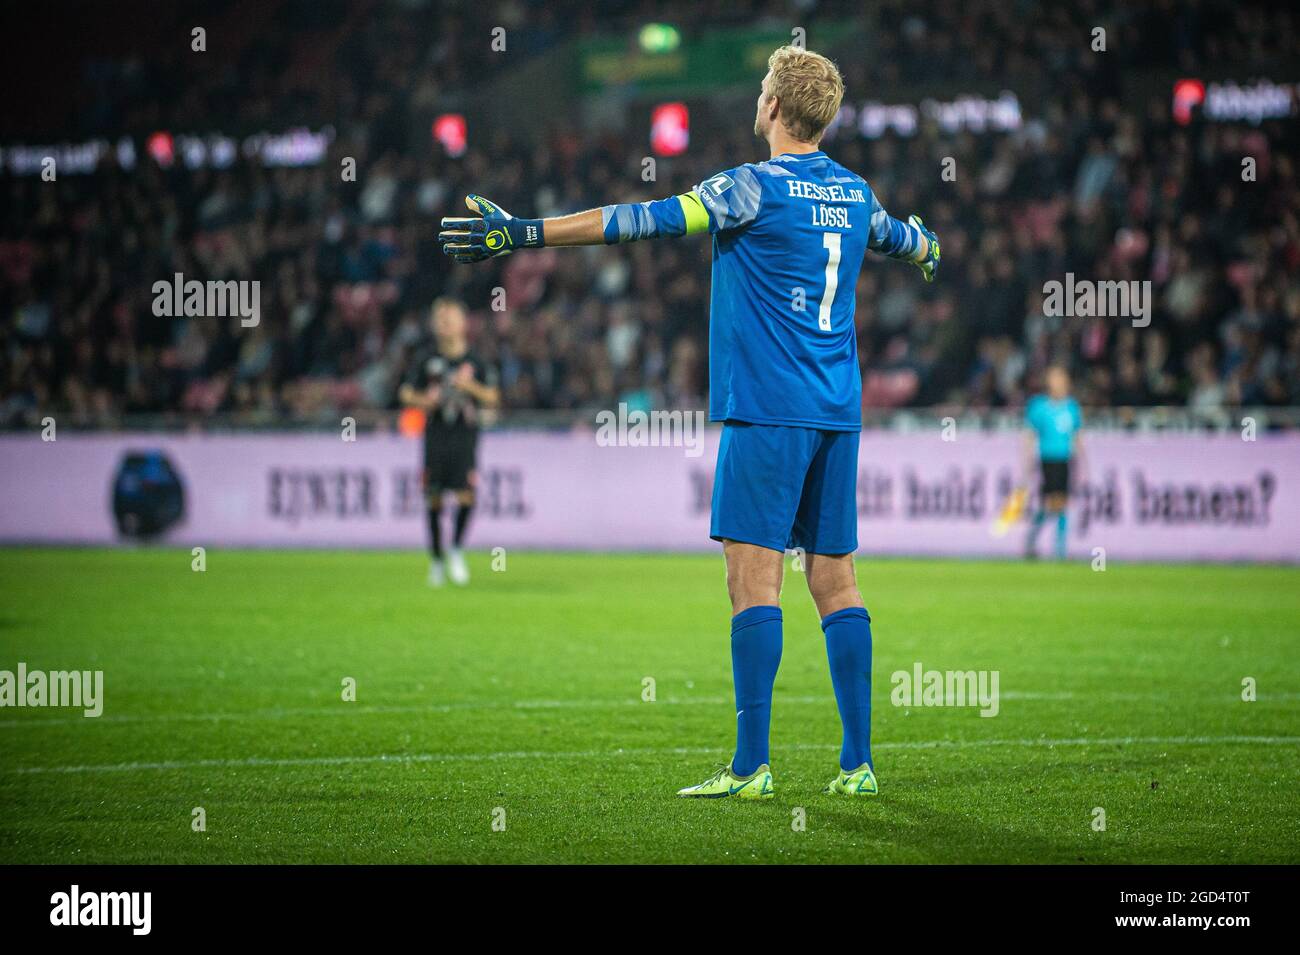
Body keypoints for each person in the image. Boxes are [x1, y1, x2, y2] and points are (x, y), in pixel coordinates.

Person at [438, 46, 939, 798]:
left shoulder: (750, 187)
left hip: (768, 409)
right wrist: (929, 245)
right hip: (838, 411)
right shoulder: (857, 193)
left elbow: (640, 219)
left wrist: (526, 232)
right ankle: (858, 763)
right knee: (836, 580)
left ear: (773, 107)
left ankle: (750, 767)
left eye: (765, 87)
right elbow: (905, 239)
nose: (761, 96)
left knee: (753, 584)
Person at [399, 298, 500, 586]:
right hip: (435, 437)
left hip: (465, 437)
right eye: (439, 319)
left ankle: (455, 548)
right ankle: (436, 559)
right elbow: (406, 393)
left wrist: (470, 387)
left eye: (449, 318)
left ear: (462, 323)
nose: (443, 324)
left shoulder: (476, 361)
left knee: (466, 495)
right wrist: (423, 400)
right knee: (433, 497)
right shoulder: (425, 360)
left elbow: (493, 397)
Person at [1023, 366, 1084, 560]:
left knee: (1061, 504)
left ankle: (1059, 550)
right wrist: (1028, 461)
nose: (1059, 383)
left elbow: (1077, 436)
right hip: (1047, 459)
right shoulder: (1039, 406)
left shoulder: (1072, 407)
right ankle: (1033, 540)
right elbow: (1029, 435)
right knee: (1050, 504)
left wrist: (1083, 462)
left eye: (1062, 379)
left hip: (1065, 459)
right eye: (1055, 379)